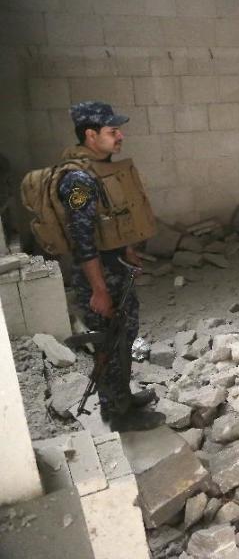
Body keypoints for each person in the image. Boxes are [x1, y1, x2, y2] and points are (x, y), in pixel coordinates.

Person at [60, 101, 163, 431]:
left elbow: (110, 223)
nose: (121, 136)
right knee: (109, 342)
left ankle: (122, 396)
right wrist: (99, 290)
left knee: (124, 337)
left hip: (114, 268)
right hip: (98, 277)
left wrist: (127, 250)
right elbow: (83, 243)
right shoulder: (79, 180)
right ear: (91, 135)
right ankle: (119, 414)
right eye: (112, 131)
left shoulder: (102, 170)